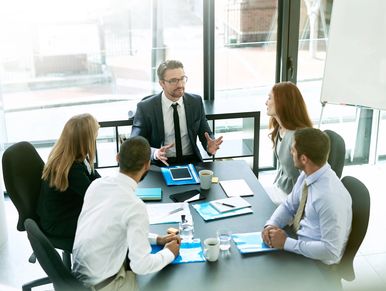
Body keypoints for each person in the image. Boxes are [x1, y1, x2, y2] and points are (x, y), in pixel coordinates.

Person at [72, 136, 181, 290]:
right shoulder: (135, 206)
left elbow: (114, 229)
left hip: (79, 277)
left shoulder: (97, 185)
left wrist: (157, 239)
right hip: (105, 285)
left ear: (117, 157)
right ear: (147, 166)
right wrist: (169, 253)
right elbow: (141, 266)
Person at [261, 128, 352, 265]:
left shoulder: (328, 198)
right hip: (300, 244)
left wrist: (286, 243)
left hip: (317, 264)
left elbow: (331, 251)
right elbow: (289, 205)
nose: (290, 152)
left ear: (304, 159)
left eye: (293, 150)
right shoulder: (308, 173)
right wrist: (271, 224)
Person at [131, 59, 223, 166]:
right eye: (174, 80)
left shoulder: (195, 102)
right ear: (162, 83)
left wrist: (209, 146)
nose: (180, 85)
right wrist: (155, 153)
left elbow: (205, 133)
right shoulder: (146, 107)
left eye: (182, 79)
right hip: (161, 163)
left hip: (191, 161)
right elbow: (135, 143)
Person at [37, 113, 100, 251]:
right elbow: (95, 196)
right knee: (108, 222)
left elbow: (96, 180)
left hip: (65, 212)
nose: (96, 138)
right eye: (95, 134)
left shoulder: (71, 156)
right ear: (86, 140)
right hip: (59, 223)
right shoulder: (72, 168)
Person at [265, 81, 313, 204]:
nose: (266, 102)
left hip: (292, 198)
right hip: (280, 188)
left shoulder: (299, 137)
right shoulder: (280, 129)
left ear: (281, 103)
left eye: (270, 98)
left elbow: (309, 179)